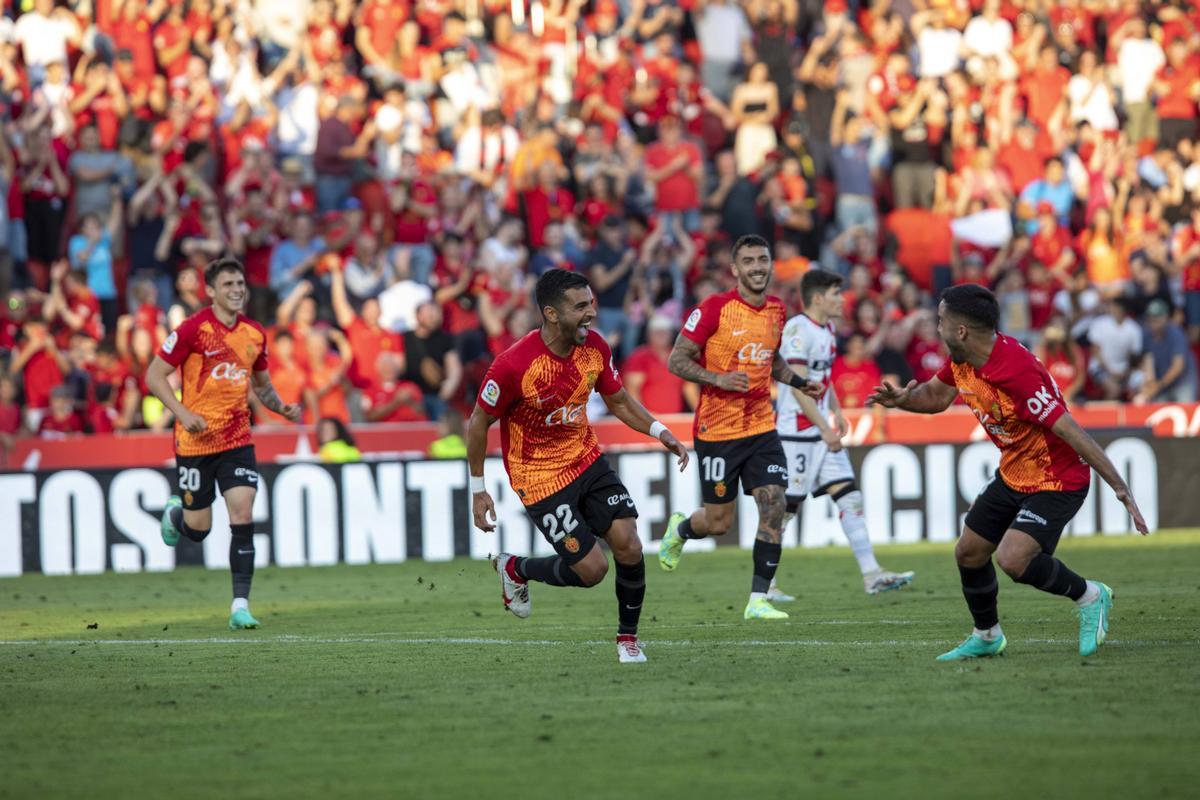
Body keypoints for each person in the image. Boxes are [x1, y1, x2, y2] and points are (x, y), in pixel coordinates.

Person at [866, 284, 1149, 661]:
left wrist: (1120, 488)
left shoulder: (1016, 372)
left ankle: (1090, 596)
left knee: (1013, 559)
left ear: (961, 330)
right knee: (968, 552)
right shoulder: (964, 359)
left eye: (941, 322)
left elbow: (1071, 430)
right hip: (1014, 471)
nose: (938, 329)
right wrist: (904, 400)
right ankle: (987, 636)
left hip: (1057, 479)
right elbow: (935, 397)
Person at [468, 269, 689, 663]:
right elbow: (478, 422)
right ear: (552, 314)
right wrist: (478, 488)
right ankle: (517, 568)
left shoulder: (595, 349)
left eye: (591, 302)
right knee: (592, 571)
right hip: (539, 479)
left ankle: (627, 639)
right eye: (581, 306)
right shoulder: (515, 365)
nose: (591, 312)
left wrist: (660, 431)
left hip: (586, 458)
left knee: (629, 542)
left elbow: (619, 401)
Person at [658, 234, 822, 620]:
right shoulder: (714, 308)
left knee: (775, 503)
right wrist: (716, 378)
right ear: (735, 269)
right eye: (748, 261)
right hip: (718, 432)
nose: (757, 267)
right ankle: (680, 531)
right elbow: (676, 360)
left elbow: (772, 359)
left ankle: (758, 600)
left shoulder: (777, 310)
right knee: (718, 523)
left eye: (762, 259)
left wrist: (798, 383)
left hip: (762, 428)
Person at [149, 257, 302, 631]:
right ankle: (175, 515)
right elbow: (154, 375)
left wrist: (279, 406)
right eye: (228, 285)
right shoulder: (193, 329)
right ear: (211, 291)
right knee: (198, 529)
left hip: (237, 440)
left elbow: (262, 385)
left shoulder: (254, 334)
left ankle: (240, 606)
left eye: (240, 283)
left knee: (243, 515)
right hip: (195, 442)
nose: (236, 290)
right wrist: (182, 413)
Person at [773, 270, 915, 598]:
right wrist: (824, 427)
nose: (842, 299)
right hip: (796, 435)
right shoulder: (797, 329)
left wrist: (834, 409)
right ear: (818, 297)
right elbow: (796, 387)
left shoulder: (828, 329)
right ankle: (763, 587)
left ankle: (872, 574)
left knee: (849, 497)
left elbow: (823, 378)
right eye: (837, 293)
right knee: (783, 512)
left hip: (821, 431)